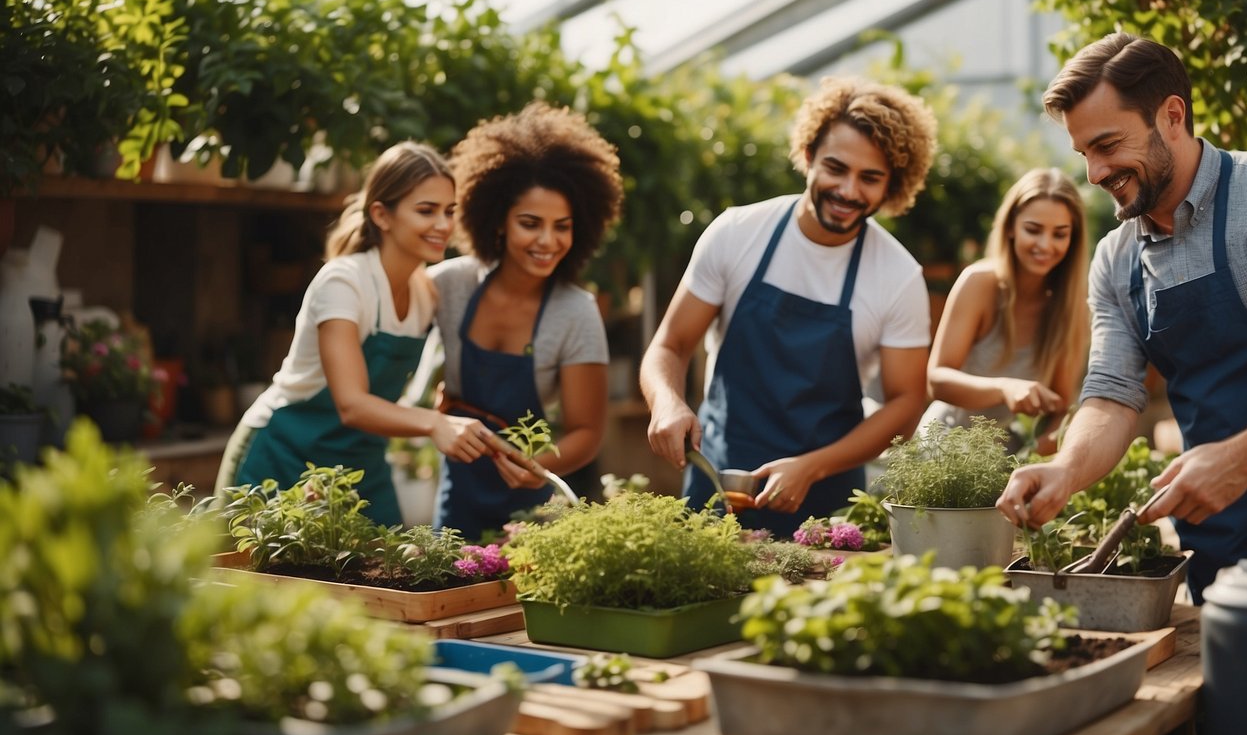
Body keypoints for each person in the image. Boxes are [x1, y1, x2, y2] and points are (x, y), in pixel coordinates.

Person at [995, 33, 1247, 600]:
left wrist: (1243, 459)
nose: (1096, 174)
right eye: (1084, 154)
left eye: (1107, 145)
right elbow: (1110, 394)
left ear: (1172, 115)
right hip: (1218, 547)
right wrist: (1067, 472)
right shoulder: (1116, 257)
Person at [640, 75, 937, 534]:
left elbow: (906, 403)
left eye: (870, 178)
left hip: (827, 504)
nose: (849, 191)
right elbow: (671, 345)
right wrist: (666, 402)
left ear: (892, 185)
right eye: (836, 168)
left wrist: (812, 468)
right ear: (807, 156)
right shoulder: (737, 233)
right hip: (718, 480)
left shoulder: (898, 277)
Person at [218, 141, 489, 525]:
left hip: (362, 467)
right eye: (426, 211)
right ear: (382, 214)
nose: (444, 225)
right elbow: (352, 404)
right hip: (282, 455)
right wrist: (432, 423)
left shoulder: (424, 293)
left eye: (449, 211)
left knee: (386, 578)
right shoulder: (345, 283)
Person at [428, 102, 622, 539]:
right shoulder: (449, 286)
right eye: (530, 224)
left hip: (533, 515)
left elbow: (587, 431)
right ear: (498, 222)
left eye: (562, 226)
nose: (548, 241)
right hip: (456, 503)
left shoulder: (576, 311)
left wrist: (539, 466)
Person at [917, 168, 1089, 455]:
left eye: (1060, 234)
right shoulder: (979, 283)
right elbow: (937, 381)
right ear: (1011, 227)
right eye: (1033, 230)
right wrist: (1004, 389)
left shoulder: (1071, 307)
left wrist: (1049, 442)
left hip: (1005, 456)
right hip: (941, 445)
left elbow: (1059, 405)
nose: (1045, 245)